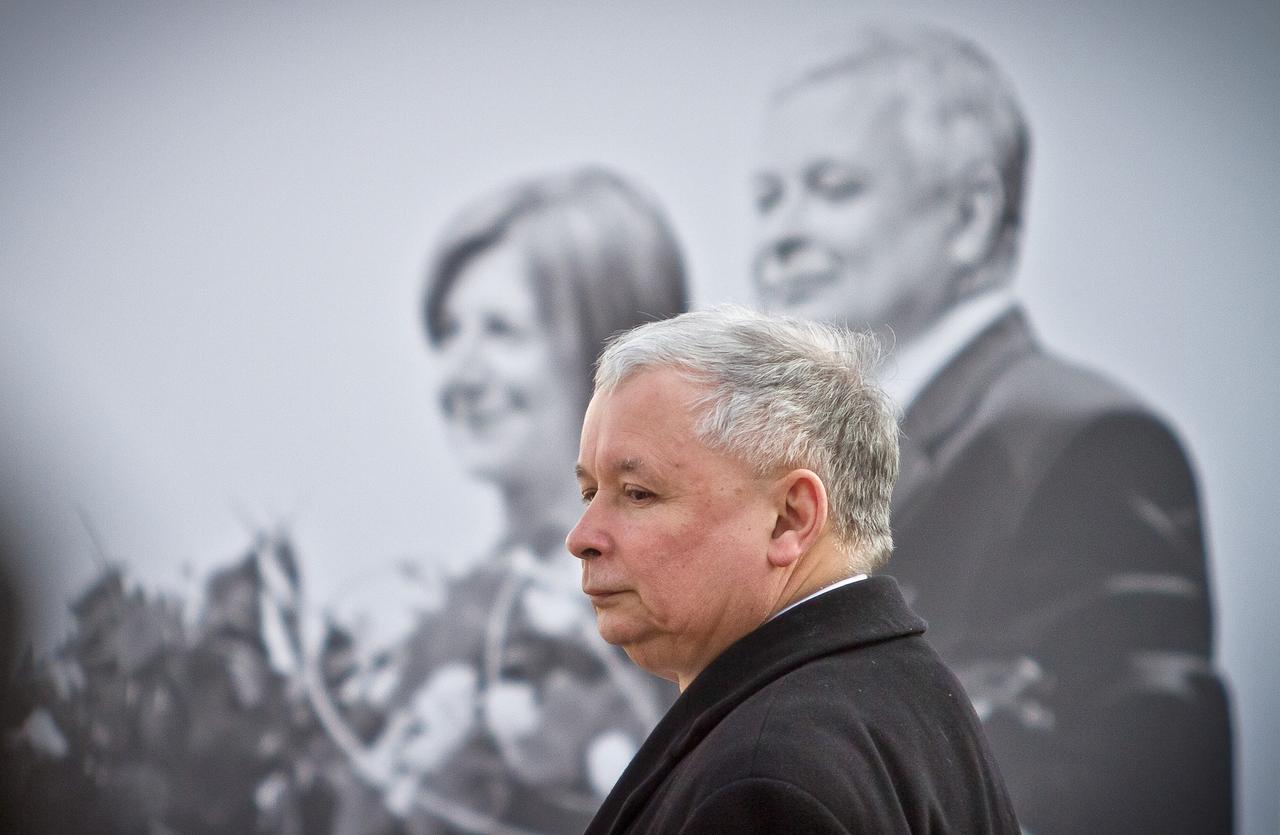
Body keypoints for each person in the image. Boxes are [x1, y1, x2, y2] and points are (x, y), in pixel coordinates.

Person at [750, 21, 1232, 833]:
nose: (780, 232)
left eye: (832, 188)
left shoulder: (1090, 447)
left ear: (971, 214)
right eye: (768, 197)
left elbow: (1140, 805)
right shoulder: (796, 461)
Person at [321, 167, 688, 834]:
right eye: (450, 331)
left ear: (611, 349)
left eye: (502, 332)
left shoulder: (688, 619)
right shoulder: (445, 615)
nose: (458, 373)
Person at [568, 305, 1019, 834]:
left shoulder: (762, 784)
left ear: (790, 519)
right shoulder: (906, 694)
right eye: (589, 493)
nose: (582, 539)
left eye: (638, 494)